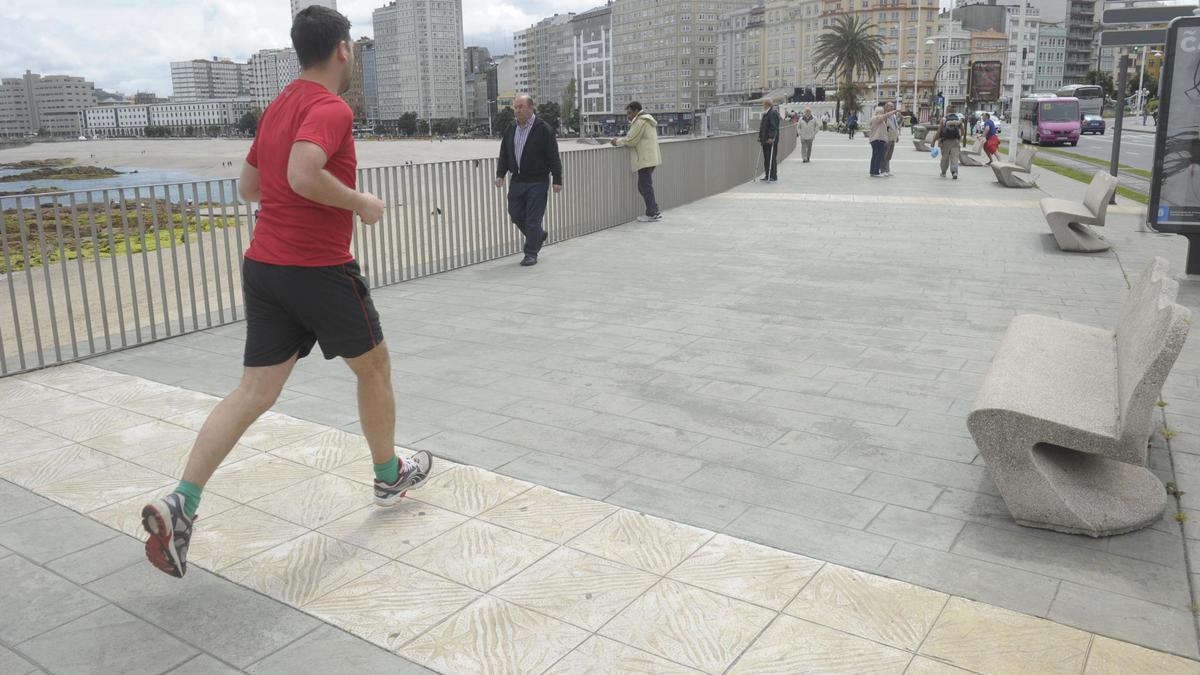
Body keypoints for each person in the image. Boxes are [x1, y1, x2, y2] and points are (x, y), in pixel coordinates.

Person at [139, 6, 433, 579]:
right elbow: (303, 173)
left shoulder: (277, 107)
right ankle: (388, 474)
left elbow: (251, 186)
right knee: (374, 368)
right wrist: (360, 202)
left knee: (254, 390)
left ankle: (183, 501)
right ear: (344, 50)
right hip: (318, 267)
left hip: (265, 264)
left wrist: (300, 195)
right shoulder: (329, 106)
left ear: (299, 49)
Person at [495, 94, 563, 266]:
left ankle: (531, 253)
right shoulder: (511, 128)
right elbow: (504, 153)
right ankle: (538, 235)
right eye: (515, 107)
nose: (517, 110)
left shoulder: (543, 129)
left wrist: (557, 179)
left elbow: (553, 156)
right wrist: (500, 174)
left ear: (531, 108)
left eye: (520, 107)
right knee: (515, 213)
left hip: (538, 181)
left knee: (533, 219)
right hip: (517, 179)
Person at [611, 101, 662, 222]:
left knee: (645, 186)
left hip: (644, 159)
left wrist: (616, 142)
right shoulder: (647, 120)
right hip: (650, 157)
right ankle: (654, 210)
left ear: (635, 111)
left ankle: (651, 213)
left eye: (629, 113)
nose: (628, 116)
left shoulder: (640, 122)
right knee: (643, 186)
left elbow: (630, 140)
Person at [933, 106, 964, 179]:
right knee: (955, 157)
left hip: (945, 141)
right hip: (955, 141)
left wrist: (934, 141)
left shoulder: (944, 119)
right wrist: (959, 137)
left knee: (945, 157)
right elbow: (963, 131)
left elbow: (939, 131)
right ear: (954, 111)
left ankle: (943, 172)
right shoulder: (958, 119)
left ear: (947, 111)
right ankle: (954, 172)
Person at [758, 99, 780, 182]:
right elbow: (763, 127)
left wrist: (771, 137)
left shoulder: (772, 113)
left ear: (767, 104)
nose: (762, 105)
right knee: (766, 158)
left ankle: (773, 176)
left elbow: (773, 127)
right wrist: (760, 137)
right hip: (765, 140)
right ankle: (767, 175)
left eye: (763, 104)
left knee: (771, 157)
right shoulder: (766, 113)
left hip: (771, 140)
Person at [880, 102, 900, 177]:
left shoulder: (894, 116)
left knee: (889, 156)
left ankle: (887, 170)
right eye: (890, 106)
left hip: (893, 138)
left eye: (893, 106)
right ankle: (882, 170)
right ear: (886, 108)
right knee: (884, 155)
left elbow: (895, 126)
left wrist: (897, 136)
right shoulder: (885, 116)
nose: (892, 107)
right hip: (886, 138)